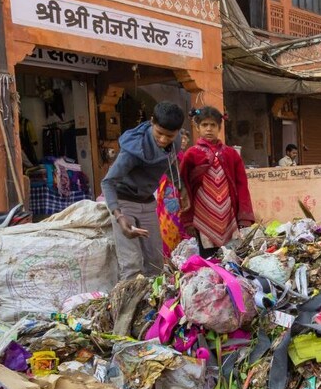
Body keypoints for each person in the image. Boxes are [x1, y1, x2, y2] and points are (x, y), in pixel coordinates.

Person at [102, 101, 186, 279]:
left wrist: (181, 188)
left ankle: (155, 304)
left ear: (178, 132)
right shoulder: (132, 150)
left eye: (169, 136)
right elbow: (107, 182)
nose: (163, 140)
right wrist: (119, 216)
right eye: (159, 133)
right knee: (131, 264)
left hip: (147, 202)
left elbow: (169, 163)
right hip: (124, 202)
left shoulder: (175, 142)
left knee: (155, 262)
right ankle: (130, 304)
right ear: (152, 122)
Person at [178, 106, 255, 258]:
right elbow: (184, 188)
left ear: (219, 127)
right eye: (204, 125)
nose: (209, 129)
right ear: (197, 127)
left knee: (231, 257)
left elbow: (241, 185)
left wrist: (244, 215)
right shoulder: (191, 154)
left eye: (213, 125)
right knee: (209, 259)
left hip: (229, 215)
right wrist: (188, 219)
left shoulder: (230, 154)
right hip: (202, 216)